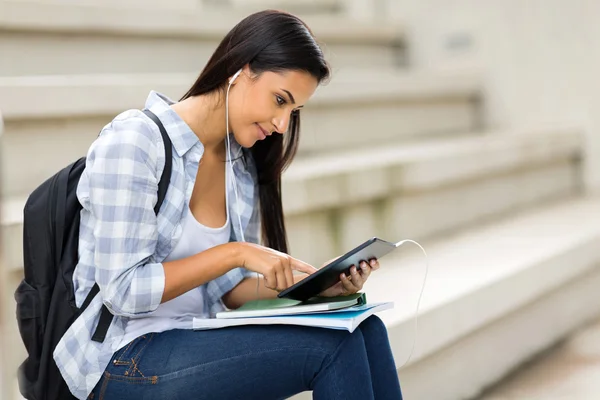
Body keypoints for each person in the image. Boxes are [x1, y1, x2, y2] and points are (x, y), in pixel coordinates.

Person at [54, 9, 403, 400]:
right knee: (334, 348)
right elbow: (123, 291)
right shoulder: (136, 141)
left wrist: (319, 288)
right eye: (279, 100)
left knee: (364, 327)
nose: (282, 124)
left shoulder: (237, 164)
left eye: (293, 111)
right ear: (241, 69)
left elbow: (230, 290)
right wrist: (236, 253)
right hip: (120, 359)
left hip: (194, 339)